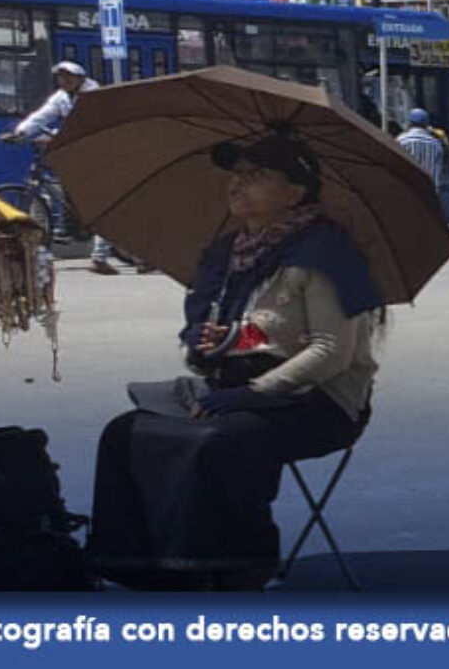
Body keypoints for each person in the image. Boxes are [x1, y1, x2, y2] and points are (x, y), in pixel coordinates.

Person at [89, 134, 379, 590]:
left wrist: (251, 393)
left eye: (257, 176)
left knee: (217, 442)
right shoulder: (229, 252)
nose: (238, 185)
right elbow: (247, 332)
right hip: (234, 388)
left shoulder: (325, 254)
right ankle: (140, 563)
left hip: (315, 401)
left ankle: (232, 567)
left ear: (295, 193)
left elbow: (330, 352)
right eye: (237, 175)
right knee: (124, 432)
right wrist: (217, 345)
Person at [2, 60, 121, 275]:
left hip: (99, 151)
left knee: (101, 205)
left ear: (80, 79)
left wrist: (55, 137)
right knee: (71, 191)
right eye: (60, 77)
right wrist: (20, 133)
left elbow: (82, 126)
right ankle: (68, 226)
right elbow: (41, 117)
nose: (63, 81)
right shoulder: (61, 97)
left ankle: (100, 256)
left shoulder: (93, 96)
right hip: (77, 153)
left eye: (68, 77)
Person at [397, 108, 449, 223]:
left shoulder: (401, 141)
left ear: (409, 123)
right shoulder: (435, 143)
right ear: (426, 124)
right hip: (430, 193)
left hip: (407, 191)